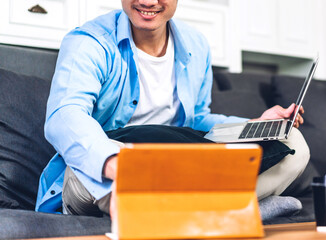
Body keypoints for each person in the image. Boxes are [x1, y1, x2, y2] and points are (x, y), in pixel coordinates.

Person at [35, 0, 310, 219]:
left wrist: (254, 125)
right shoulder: (89, 42)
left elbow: (198, 120)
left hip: (179, 166)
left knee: (292, 143)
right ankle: (234, 210)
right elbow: (64, 115)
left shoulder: (195, 45)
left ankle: (200, 212)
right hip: (100, 171)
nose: (147, 1)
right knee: (110, 176)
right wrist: (117, 164)